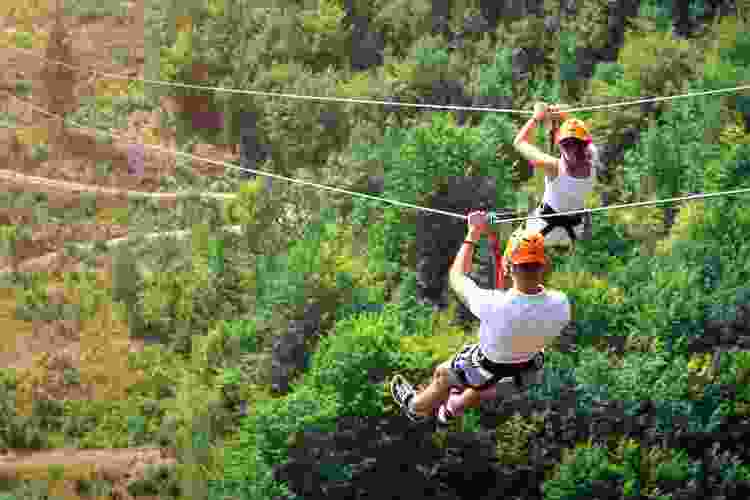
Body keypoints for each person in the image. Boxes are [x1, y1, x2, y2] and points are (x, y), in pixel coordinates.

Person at [391, 212, 572, 429]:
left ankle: (416, 407)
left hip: (487, 369)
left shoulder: (493, 305)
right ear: (543, 266)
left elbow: (456, 277)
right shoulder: (561, 304)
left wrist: (473, 232)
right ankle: (452, 408)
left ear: (508, 267)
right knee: (489, 381)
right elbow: (522, 300)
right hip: (526, 373)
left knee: (444, 374)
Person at [491, 102, 599, 289]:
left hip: (544, 230)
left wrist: (536, 117)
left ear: (560, 144)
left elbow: (519, 142)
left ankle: (508, 293)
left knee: (511, 253)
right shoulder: (593, 159)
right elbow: (583, 135)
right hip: (574, 231)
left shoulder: (553, 166)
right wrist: (566, 115)